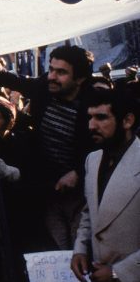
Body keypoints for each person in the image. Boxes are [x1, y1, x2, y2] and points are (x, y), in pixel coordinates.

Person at [0, 45, 96, 250]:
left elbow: (103, 147)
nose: (52, 76)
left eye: (61, 72)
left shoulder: (94, 104)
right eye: (51, 69)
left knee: (82, 250)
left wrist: (78, 172)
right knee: (58, 252)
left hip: (83, 194)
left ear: (80, 79)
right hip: (48, 190)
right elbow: (14, 81)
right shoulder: (45, 87)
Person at [71, 90, 139, 282]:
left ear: (127, 121)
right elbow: (90, 213)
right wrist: (80, 250)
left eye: (101, 117)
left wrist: (120, 272)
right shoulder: (92, 160)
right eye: (90, 117)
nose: (91, 126)